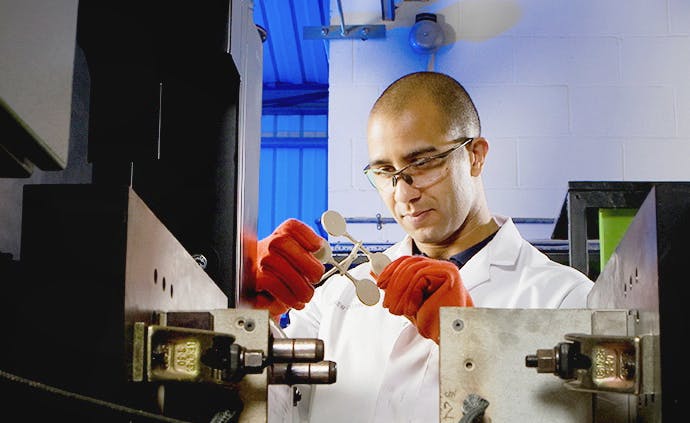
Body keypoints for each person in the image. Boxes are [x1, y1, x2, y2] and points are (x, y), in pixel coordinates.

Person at [252, 71, 594, 422]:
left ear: (475, 156)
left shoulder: (564, 298)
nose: (403, 194)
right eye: (385, 171)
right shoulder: (337, 296)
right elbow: (270, 407)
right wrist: (254, 316)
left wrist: (470, 342)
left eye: (423, 163)